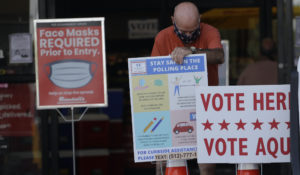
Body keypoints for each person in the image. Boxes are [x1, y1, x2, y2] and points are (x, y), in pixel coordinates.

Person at [151, 1, 224, 175]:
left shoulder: (210, 31)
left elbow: (219, 56)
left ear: (199, 20)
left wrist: (191, 51)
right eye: (183, 31)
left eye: (193, 30)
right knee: (162, 160)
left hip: (205, 104)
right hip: (171, 105)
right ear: (172, 21)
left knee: (206, 161)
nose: (189, 35)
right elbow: (152, 73)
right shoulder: (163, 37)